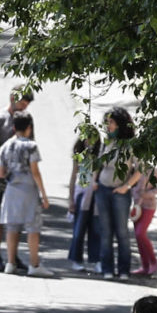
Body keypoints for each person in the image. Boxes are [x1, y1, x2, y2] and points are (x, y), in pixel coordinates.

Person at [0, 87, 34, 270]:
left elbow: (30, 145)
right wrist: (8, 153)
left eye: (27, 103)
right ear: (13, 98)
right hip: (0, 174)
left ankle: (13, 256)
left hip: (20, 175)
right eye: (22, 102)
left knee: (16, 217)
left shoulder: (26, 119)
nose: (24, 106)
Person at [92, 107, 144, 279]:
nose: (108, 126)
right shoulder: (107, 142)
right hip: (102, 190)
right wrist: (94, 180)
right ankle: (107, 269)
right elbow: (98, 163)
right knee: (105, 232)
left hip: (120, 193)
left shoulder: (131, 145)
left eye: (111, 122)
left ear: (120, 124)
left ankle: (123, 270)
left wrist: (126, 186)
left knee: (122, 232)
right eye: (107, 123)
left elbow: (140, 169)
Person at [0, 111, 49, 276]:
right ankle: (34, 264)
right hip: (28, 189)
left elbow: (1, 172)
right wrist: (44, 195)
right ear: (29, 128)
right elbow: (35, 171)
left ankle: (10, 262)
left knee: (12, 227)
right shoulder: (31, 146)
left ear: (14, 127)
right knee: (33, 227)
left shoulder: (5, 146)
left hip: (12, 189)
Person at [66, 113, 101, 270]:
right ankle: (76, 260)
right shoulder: (78, 156)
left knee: (96, 229)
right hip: (81, 195)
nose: (89, 142)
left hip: (96, 196)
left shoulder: (100, 155)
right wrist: (70, 199)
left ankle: (97, 260)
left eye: (92, 138)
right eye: (86, 138)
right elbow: (73, 177)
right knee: (79, 229)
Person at [131, 155, 157, 277]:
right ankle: (145, 266)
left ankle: (154, 263)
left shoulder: (150, 169)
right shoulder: (130, 169)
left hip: (148, 206)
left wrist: (149, 193)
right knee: (138, 238)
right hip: (136, 207)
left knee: (140, 233)